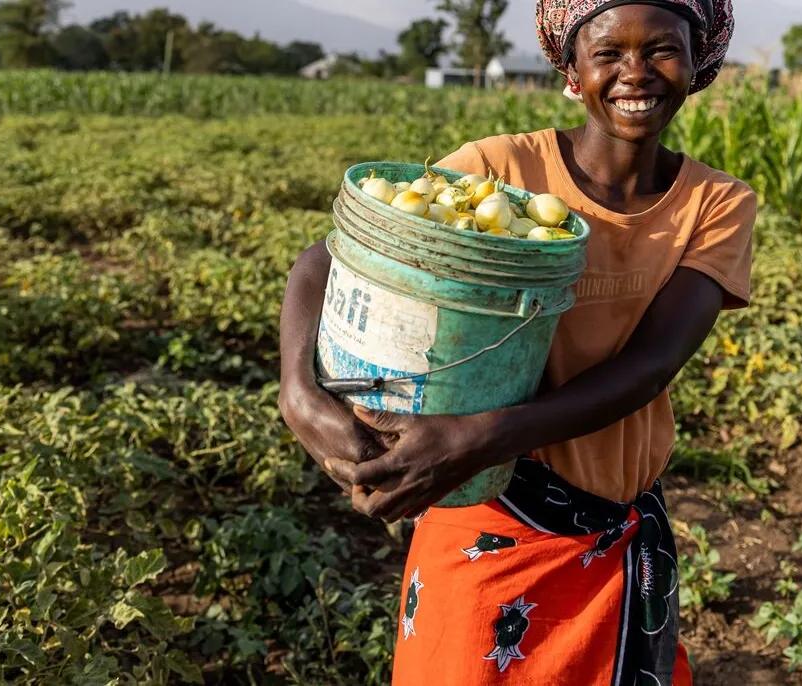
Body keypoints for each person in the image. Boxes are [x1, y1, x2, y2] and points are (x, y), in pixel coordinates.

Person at [278, 0, 750, 682]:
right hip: (480, 511)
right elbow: (328, 258)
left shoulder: (715, 201)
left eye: (662, 50)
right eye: (609, 53)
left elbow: (651, 365)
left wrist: (481, 434)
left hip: (609, 531)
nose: (636, 73)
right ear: (570, 65)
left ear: (698, 58)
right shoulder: (496, 169)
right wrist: (298, 389)